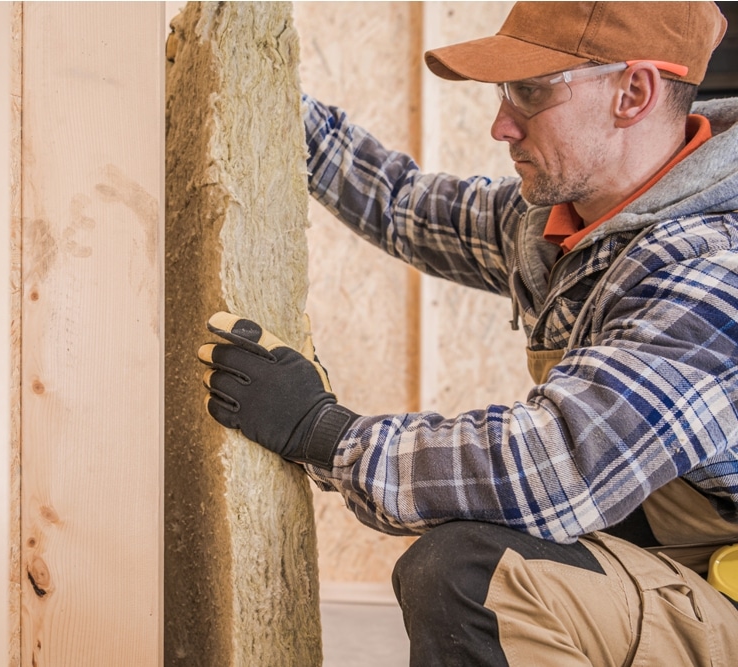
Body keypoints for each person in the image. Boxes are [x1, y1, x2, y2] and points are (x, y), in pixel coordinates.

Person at [198, 2, 738, 664]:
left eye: (531, 92)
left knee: (472, 575)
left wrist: (322, 431)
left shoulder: (715, 269)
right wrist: (265, 98)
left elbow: (559, 464)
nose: (500, 124)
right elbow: (402, 203)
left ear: (633, 92)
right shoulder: (568, 220)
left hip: (725, 595)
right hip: (674, 566)